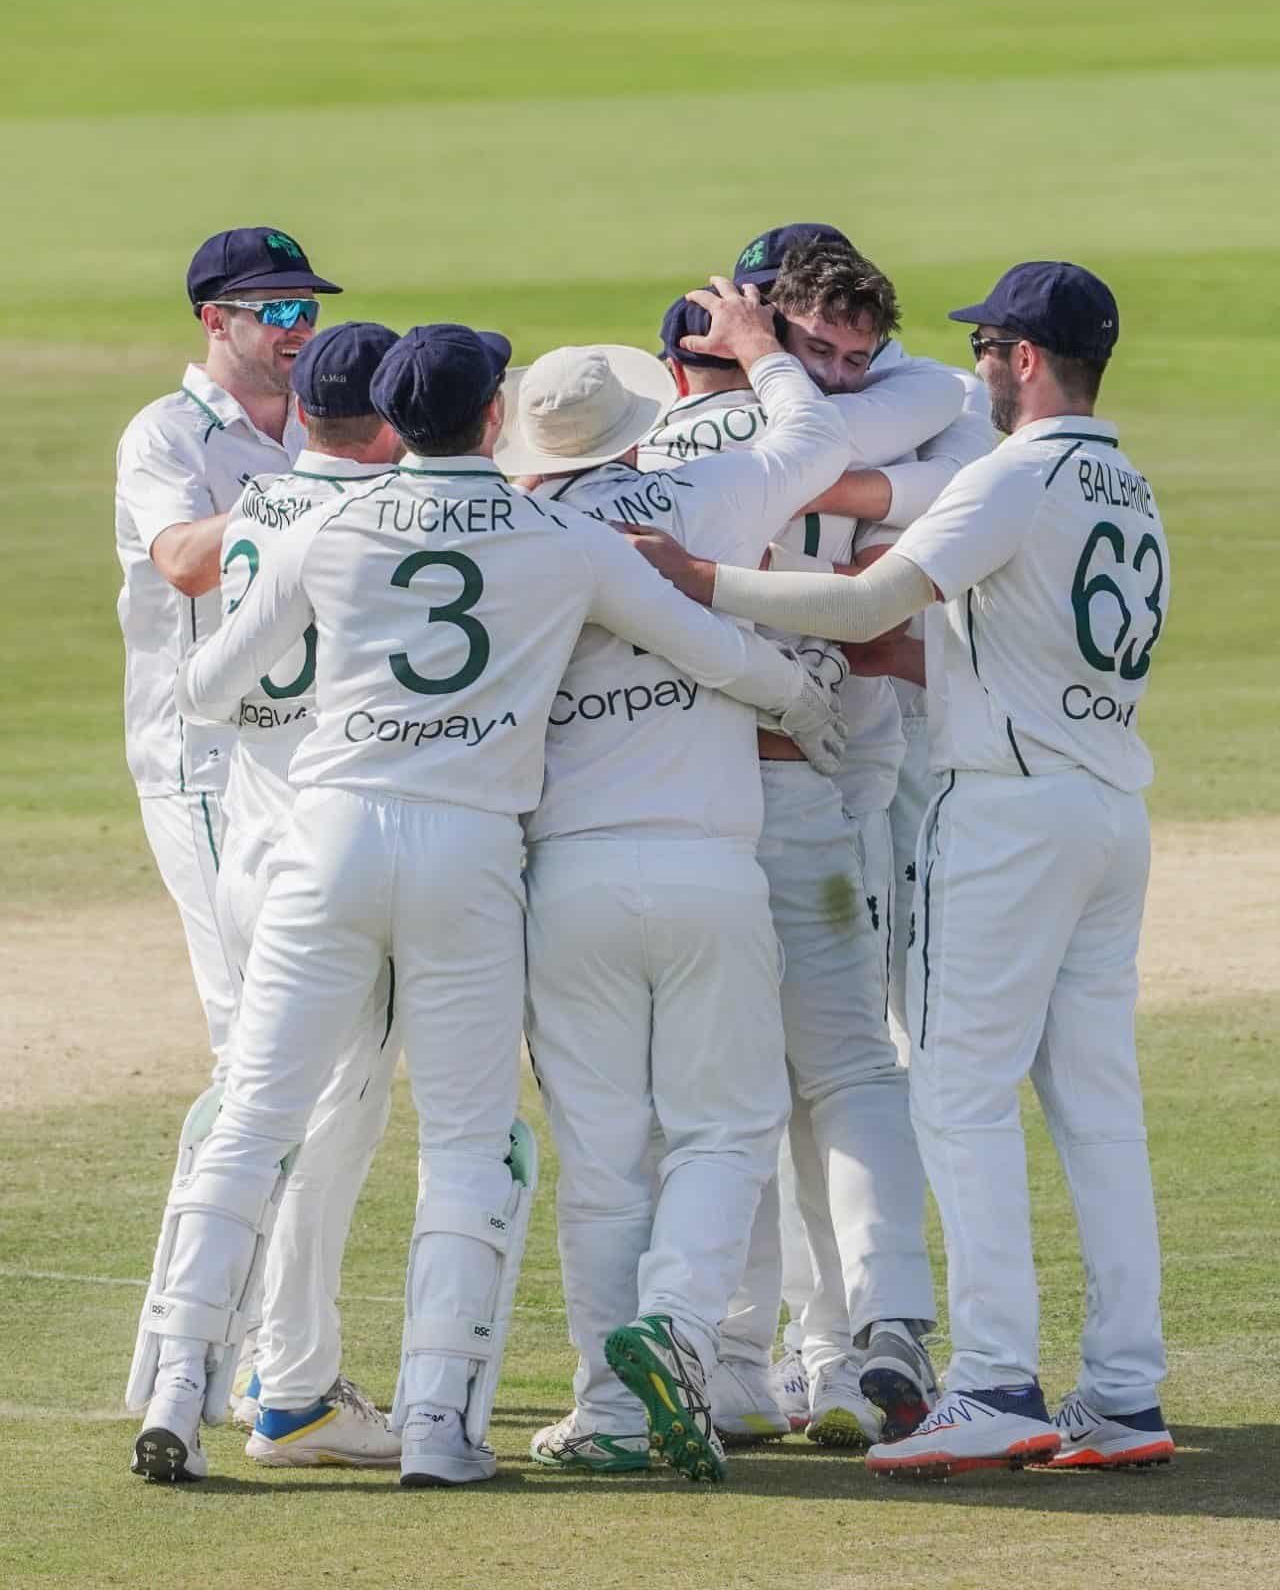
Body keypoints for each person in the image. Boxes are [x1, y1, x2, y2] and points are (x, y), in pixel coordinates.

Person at [125, 298, 848, 1488]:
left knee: (258, 1115)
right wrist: (810, 713)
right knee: (468, 1143)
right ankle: (438, 1429)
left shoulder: (327, 526)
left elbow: (204, 686)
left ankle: (179, 1392)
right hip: (469, 852)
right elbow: (710, 649)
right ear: (492, 416)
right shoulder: (554, 540)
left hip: (329, 836)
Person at [631, 260, 1175, 1476]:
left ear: (1024, 359)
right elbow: (986, 643)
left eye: (987, 344)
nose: (974, 365)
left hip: (1006, 814)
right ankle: (1125, 1391)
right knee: (1096, 1102)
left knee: (958, 1093)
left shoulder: (1010, 474)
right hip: (1106, 807)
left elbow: (877, 590)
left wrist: (699, 579)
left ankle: (991, 1379)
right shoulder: (1125, 485)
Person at [493, 317, 852, 1479]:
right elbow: (813, 434)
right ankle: (683, 1331)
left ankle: (607, 1406)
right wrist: (760, 346)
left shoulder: (519, 535)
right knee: (725, 1127)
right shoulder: (698, 496)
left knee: (602, 1155)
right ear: (641, 426)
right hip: (705, 863)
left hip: (567, 876)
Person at [641, 234, 977, 1449]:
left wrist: (778, 441)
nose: (837, 374)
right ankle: (803, 1349)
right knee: (766, 1080)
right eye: (814, 350)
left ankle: (839, 1345)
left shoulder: (927, 411)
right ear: (766, 328)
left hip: (848, 775)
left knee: (823, 1067)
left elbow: (924, 430)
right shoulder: (810, 418)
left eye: (855, 354)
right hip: (738, 781)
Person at [211, 322, 406, 1468]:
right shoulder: (363, 526)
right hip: (328, 866)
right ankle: (292, 1389)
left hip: (253, 844)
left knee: (265, 1120)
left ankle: (241, 1357)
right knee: (328, 1132)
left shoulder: (264, 503)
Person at [114, 226, 340, 1079]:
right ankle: (212, 1214)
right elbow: (181, 562)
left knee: (317, 1011)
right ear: (215, 319)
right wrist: (305, 498)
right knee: (249, 1028)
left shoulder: (320, 422)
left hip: (302, 748)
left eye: (308, 308)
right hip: (201, 756)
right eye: (277, 309)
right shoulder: (166, 435)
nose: (300, 327)